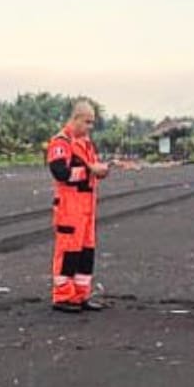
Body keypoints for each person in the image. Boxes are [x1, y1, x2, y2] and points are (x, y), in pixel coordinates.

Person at [45, 99, 134, 313]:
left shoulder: (85, 144)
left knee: (85, 254)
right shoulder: (61, 142)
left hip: (86, 208)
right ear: (75, 118)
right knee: (68, 252)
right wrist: (90, 171)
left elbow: (91, 169)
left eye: (92, 122)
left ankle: (80, 295)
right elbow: (60, 173)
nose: (90, 127)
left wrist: (101, 170)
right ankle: (63, 296)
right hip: (69, 207)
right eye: (87, 122)